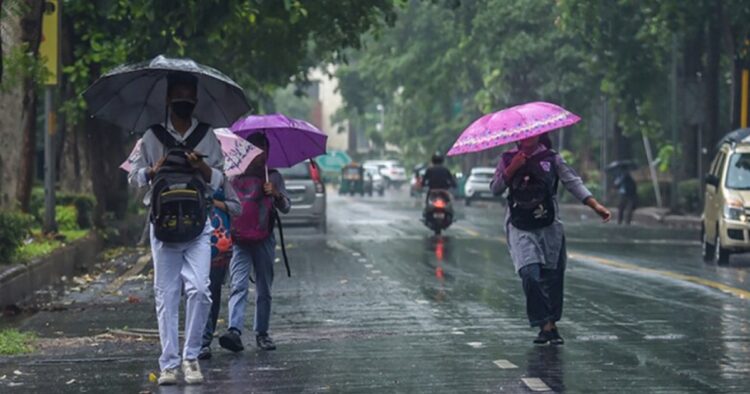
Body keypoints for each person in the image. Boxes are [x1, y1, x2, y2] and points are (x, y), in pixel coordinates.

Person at [128, 72, 227, 385]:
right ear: (169, 100)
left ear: (195, 100)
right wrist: (151, 170)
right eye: (179, 96)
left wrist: (202, 167)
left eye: (190, 97)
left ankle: (191, 357)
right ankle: (169, 364)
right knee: (167, 297)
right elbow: (133, 178)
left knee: (200, 290)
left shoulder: (207, 136)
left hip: (199, 226)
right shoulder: (151, 137)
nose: (185, 102)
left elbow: (222, 180)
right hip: (163, 229)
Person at [491, 133, 611, 345]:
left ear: (540, 134)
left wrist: (595, 206)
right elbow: (495, 188)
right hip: (520, 226)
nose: (528, 137)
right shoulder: (507, 158)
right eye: (524, 134)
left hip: (549, 226)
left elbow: (572, 182)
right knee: (529, 273)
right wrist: (513, 168)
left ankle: (550, 325)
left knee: (553, 277)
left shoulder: (552, 158)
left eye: (533, 133)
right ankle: (543, 323)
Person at [219, 132, 291, 353]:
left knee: (264, 288)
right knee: (238, 285)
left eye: (263, 150)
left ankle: (262, 333)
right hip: (239, 238)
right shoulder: (233, 176)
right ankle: (234, 331)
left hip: (264, 238)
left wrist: (276, 194)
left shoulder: (274, 177)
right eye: (255, 149)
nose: (260, 155)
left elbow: (286, 207)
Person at [198, 185, 242, 360]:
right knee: (197, 290)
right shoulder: (183, 176)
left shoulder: (221, 180)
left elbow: (237, 208)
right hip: (191, 239)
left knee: (213, 291)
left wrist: (216, 203)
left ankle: (205, 338)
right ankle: (201, 341)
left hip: (218, 246)